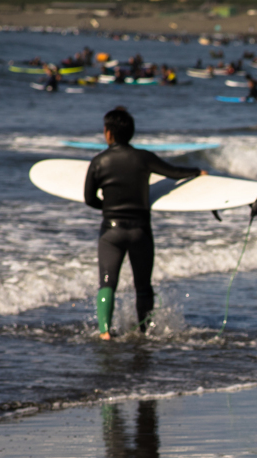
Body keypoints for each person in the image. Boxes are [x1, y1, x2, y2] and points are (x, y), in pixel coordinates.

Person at [84, 108, 206, 340]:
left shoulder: (99, 161)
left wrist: (110, 209)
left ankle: (104, 332)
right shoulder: (144, 158)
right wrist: (196, 171)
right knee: (143, 285)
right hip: (140, 229)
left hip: (111, 231)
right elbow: (174, 172)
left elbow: (90, 199)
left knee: (107, 282)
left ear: (108, 133)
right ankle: (144, 331)